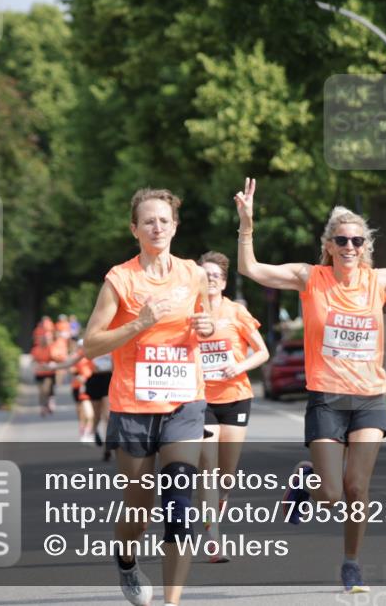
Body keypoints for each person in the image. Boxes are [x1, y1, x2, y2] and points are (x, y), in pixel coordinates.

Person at [234, 177, 386, 593]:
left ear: (364, 247)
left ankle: (352, 564)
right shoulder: (309, 277)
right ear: (329, 245)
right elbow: (251, 269)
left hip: (369, 397)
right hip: (327, 399)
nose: (350, 247)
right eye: (342, 240)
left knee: (357, 488)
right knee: (331, 494)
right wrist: (247, 225)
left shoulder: (379, 281)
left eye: (356, 241)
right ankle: (307, 478)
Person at [83, 188, 215, 606]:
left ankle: (171, 601)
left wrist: (206, 327)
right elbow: (91, 345)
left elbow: (204, 316)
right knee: (137, 515)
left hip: (184, 404)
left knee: (179, 504)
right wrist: (139, 322)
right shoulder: (120, 279)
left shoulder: (193, 273)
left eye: (164, 220)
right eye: (148, 221)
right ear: (134, 229)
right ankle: (125, 557)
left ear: (175, 226)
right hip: (133, 408)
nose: (157, 227)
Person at [195, 250, 269, 563]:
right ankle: (214, 539)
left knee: (226, 476)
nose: (210, 280)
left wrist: (238, 367)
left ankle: (221, 500)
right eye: (205, 275)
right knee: (208, 472)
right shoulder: (188, 313)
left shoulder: (236, 312)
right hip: (200, 400)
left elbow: (262, 352)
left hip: (236, 395)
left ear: (223, 282)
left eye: (215, 276)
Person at [31, 330, 67, 416]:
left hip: (49, 373)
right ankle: (43, 406)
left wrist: (53, 361)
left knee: (46, 389)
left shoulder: (52, 348)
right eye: (44, 339)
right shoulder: (36, 349)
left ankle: (49, 402)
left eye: (47, 339)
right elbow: (33, 361)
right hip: (39, 373)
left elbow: (59, 359)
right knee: (41, 391)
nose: (45, 341)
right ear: (40, 340)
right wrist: (36, 365)